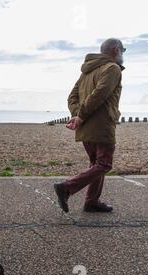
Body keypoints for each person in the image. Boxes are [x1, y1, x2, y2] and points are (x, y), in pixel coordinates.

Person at [54, 38, 125, 213]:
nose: (123, 53)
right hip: (101, 125)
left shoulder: (87, 71)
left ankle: (92, 201)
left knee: (96, 164)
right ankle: (66, 187)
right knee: (104, 164)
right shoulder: (112, 69)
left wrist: (78, 115)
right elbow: (99, 94)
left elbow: (72, 97)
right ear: (116, 50)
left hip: (85, 126)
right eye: (123, 49)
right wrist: (81, 116)